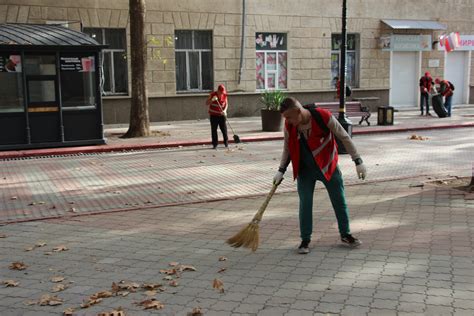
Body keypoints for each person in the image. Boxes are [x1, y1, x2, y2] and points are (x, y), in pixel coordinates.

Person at [273, 97, 367, 254]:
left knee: (339, 200)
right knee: (305, 204)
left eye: (289, 117)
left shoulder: (323, 116)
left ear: (298, 111)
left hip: (327, 165)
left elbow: (344, 137)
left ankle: (346, 234)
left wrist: (358, 160)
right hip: (304, 169)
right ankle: (305, 240)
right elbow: (287, 149)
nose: (287, 120)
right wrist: (280, 170)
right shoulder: (290, 126)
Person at [206, 84, 229, 149]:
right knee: (214, 130)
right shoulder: (212, 95)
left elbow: (226, 103)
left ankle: (226, 142)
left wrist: (225, 110)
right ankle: (215, 144)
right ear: (218, 91)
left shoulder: (224, 95)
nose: (222, 93)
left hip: (222, 115)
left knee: (224, 129)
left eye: (223, 92)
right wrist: (212, 100)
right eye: (221, 92)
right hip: (213, 116)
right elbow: (207, 103)